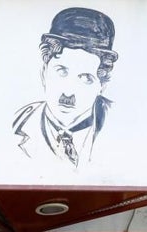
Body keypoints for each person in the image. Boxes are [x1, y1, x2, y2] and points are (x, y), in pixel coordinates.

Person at [11, 6, 119, 169]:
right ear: (44, 72)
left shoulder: (121, 124)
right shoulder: (16, 124)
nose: (68, 93)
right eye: (61, 71)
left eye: (86, 78)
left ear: (102, 85)